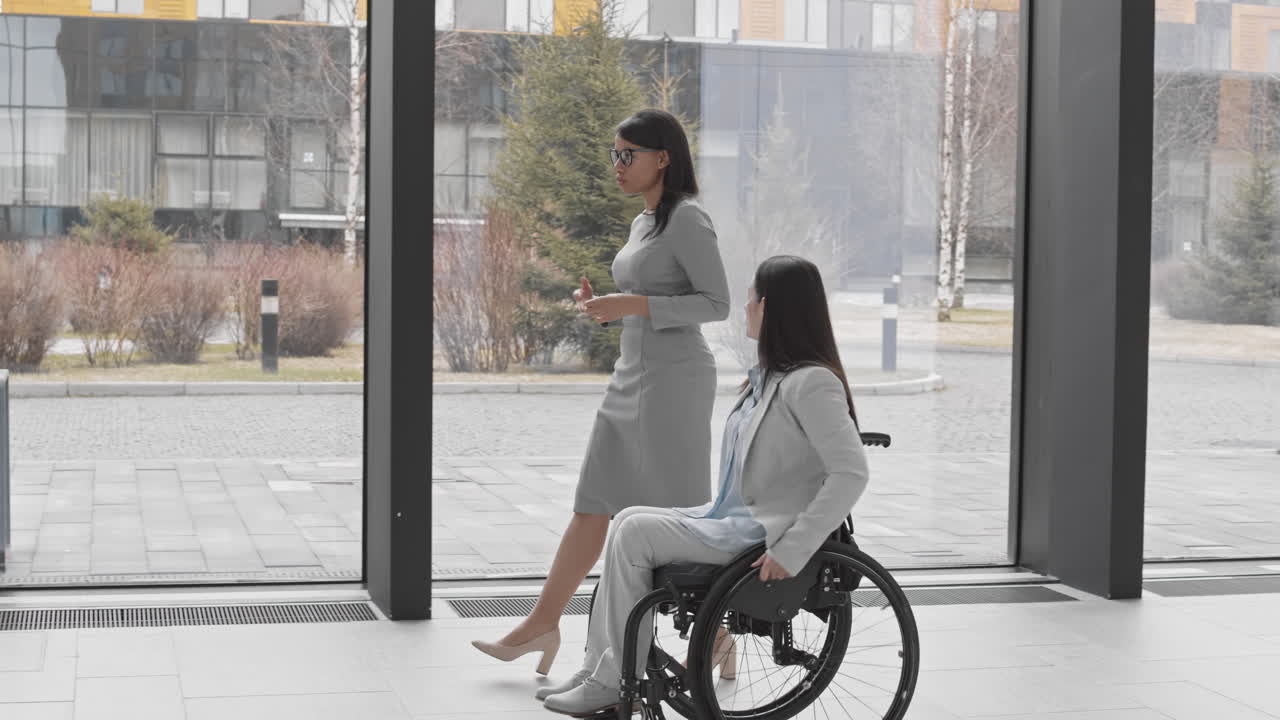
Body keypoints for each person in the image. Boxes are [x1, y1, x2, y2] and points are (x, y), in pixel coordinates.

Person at [539, 255, 871, 716]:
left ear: (772, 308)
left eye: (752, 299)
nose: (746, 308)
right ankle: (603, 667)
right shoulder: (770, 379)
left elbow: (851, 472)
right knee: (630, 517)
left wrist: (791, 549)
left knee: (634, 532)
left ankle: (613, 679)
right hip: (730, 518)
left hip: (759, 535)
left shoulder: (812, 383)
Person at [472, 109, 731, 676]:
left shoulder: (688, 219)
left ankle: (719, 636)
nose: (616, 165)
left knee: (680, 515)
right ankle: (542, 625)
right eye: (613, 154)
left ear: (662, 157)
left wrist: (632, 304)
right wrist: (606, 308)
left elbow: (718, 304)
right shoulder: (645, 222)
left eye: (626, 154)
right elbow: (648, 295)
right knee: (592, 503)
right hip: (630, 376)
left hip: (675, 383)